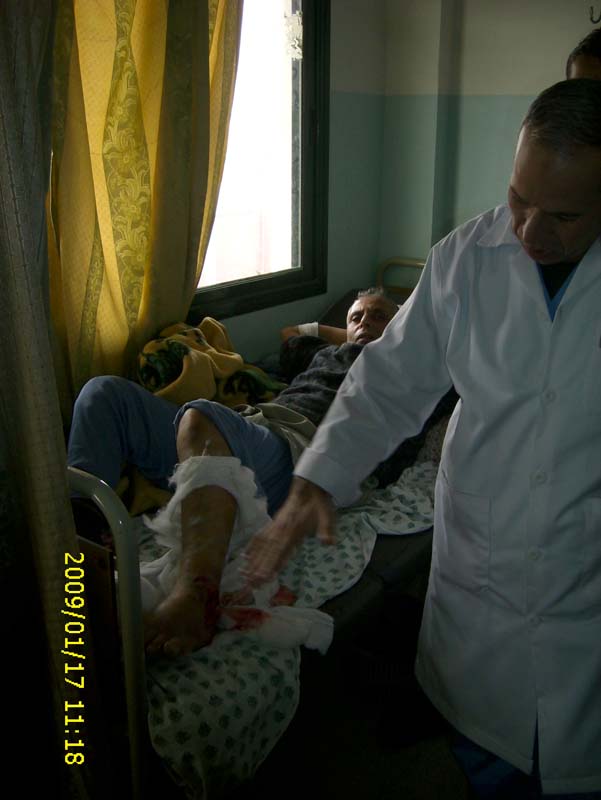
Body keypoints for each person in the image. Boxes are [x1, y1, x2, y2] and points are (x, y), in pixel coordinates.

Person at [243, 79, 601, 798]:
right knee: (483, 757)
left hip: (582, 586)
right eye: (518, 199)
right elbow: (387, 383)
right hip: (478, 579)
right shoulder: (465, 258)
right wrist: (317, 477)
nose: (529, 232)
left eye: (562, 215)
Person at [69, 288, 451, 656]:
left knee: (201, 415)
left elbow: (460, 377)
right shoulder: (325, 354)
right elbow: (290, 336)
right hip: (251, 426)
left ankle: (196, 596)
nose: (365, 321)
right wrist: (356, 334)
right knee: (104, 394)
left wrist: (391, 338)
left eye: (379, 316)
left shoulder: (413, 374)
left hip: (303, 456)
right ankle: (77, 550)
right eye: (356, 316)